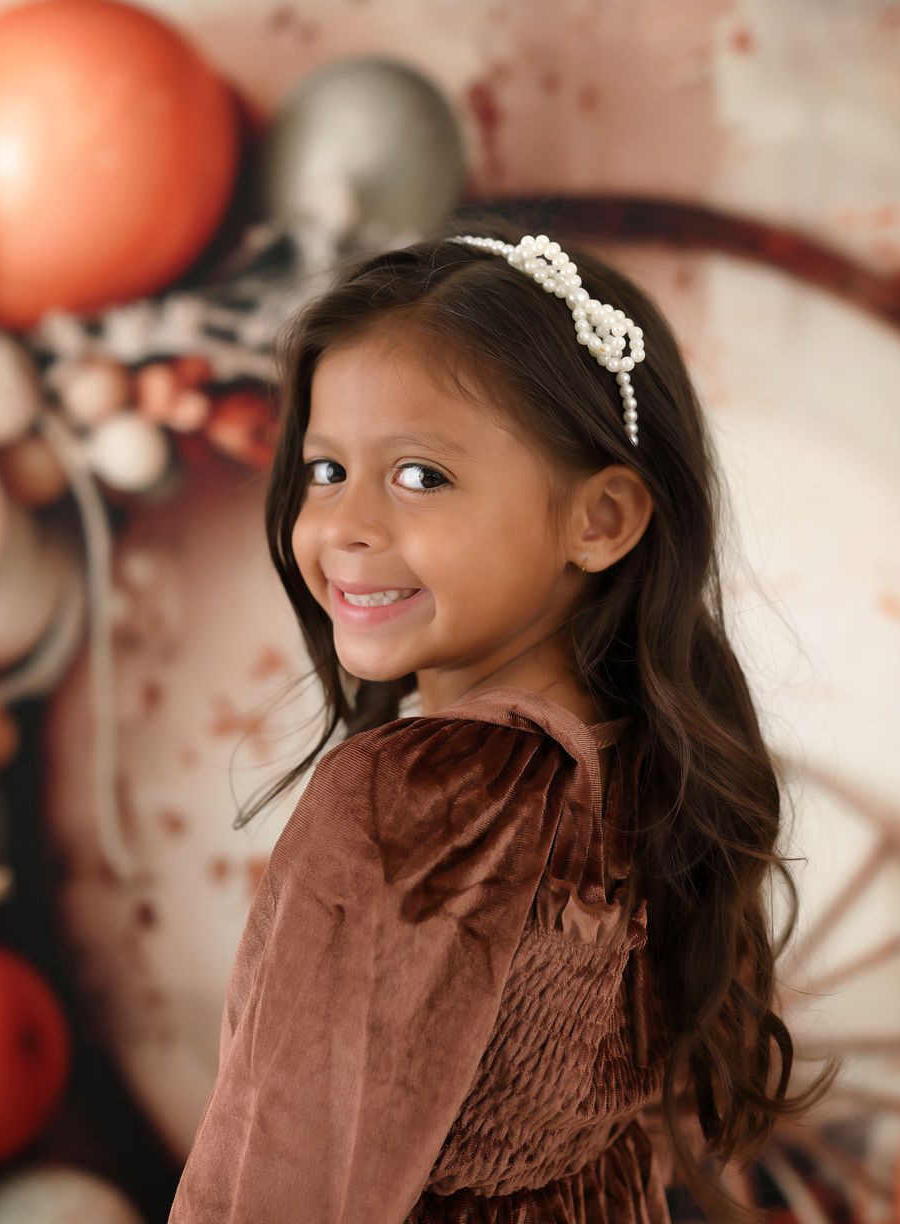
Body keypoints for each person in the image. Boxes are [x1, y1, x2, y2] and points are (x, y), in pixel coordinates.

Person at [169, 222, 825, 1223]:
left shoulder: (414, 805)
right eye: (324, 470)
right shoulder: (636, 765)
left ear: (599, 520)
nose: (345, 525)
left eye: (419, 476)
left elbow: (285, 1186)